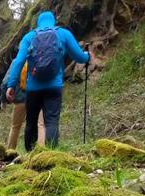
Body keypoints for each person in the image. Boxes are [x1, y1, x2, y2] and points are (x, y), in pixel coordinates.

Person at [6, 11, 90, 151]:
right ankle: (51, 155)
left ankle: (30, 157)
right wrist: (88, 56)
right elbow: (79, 56)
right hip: (54, 86)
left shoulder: (29, 37)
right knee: (51, 121)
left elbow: (19, 61)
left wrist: (11, 85)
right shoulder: (63, 34)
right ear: (53, 21)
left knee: (31, 123)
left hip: (33, 88)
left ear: (38, 22)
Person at [1, 61, 46, 149]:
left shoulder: (17, 61)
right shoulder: (39, 58)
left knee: (15, 126)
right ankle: (41, 152)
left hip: (21, 99)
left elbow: (5, 81)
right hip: (38, 97)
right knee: (41, 124)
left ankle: (10, 152)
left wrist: (3, 100)